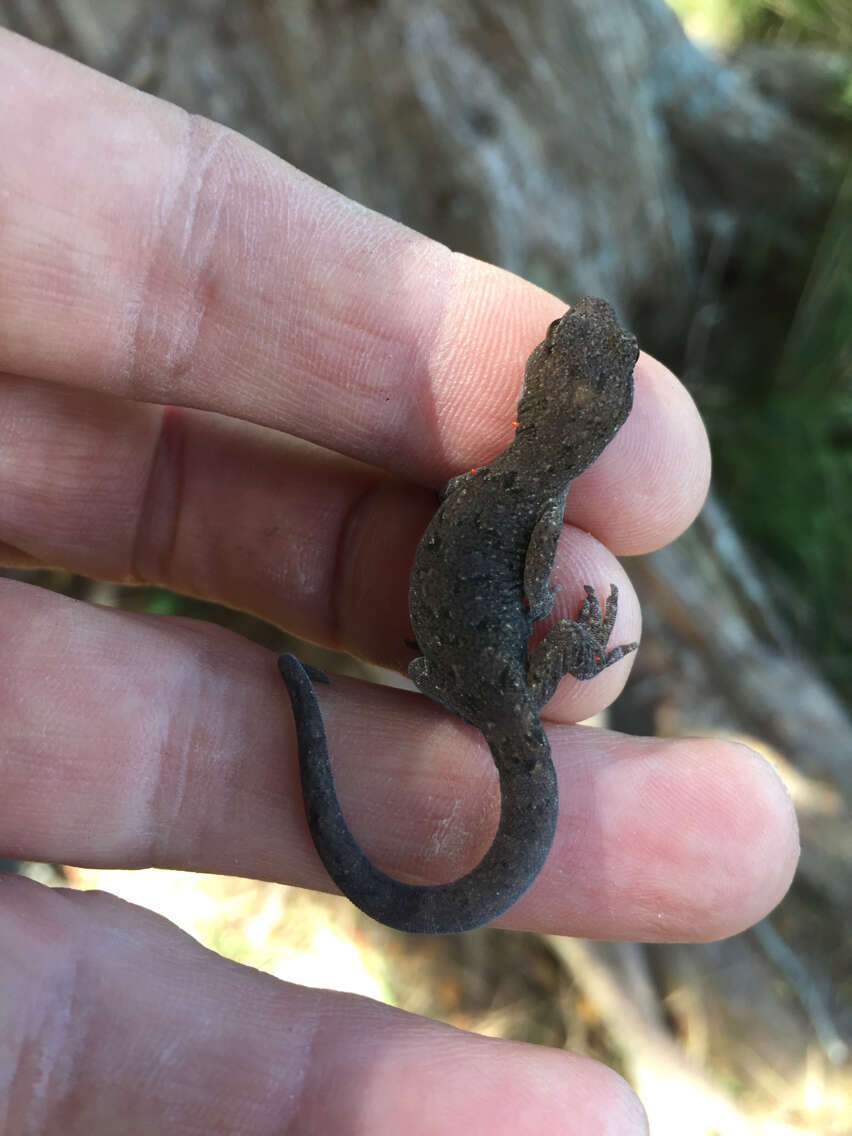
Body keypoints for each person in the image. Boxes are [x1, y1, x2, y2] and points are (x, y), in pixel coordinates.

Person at [0, 29, 798, 1135]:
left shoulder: (519, 481)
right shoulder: (535, 496)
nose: (592, 331)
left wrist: (541, 652)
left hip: (474, 670)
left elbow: (519, 570)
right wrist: (547, 649)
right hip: (459, 675)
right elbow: (524, 573)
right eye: (584, 348)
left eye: (588, 352)